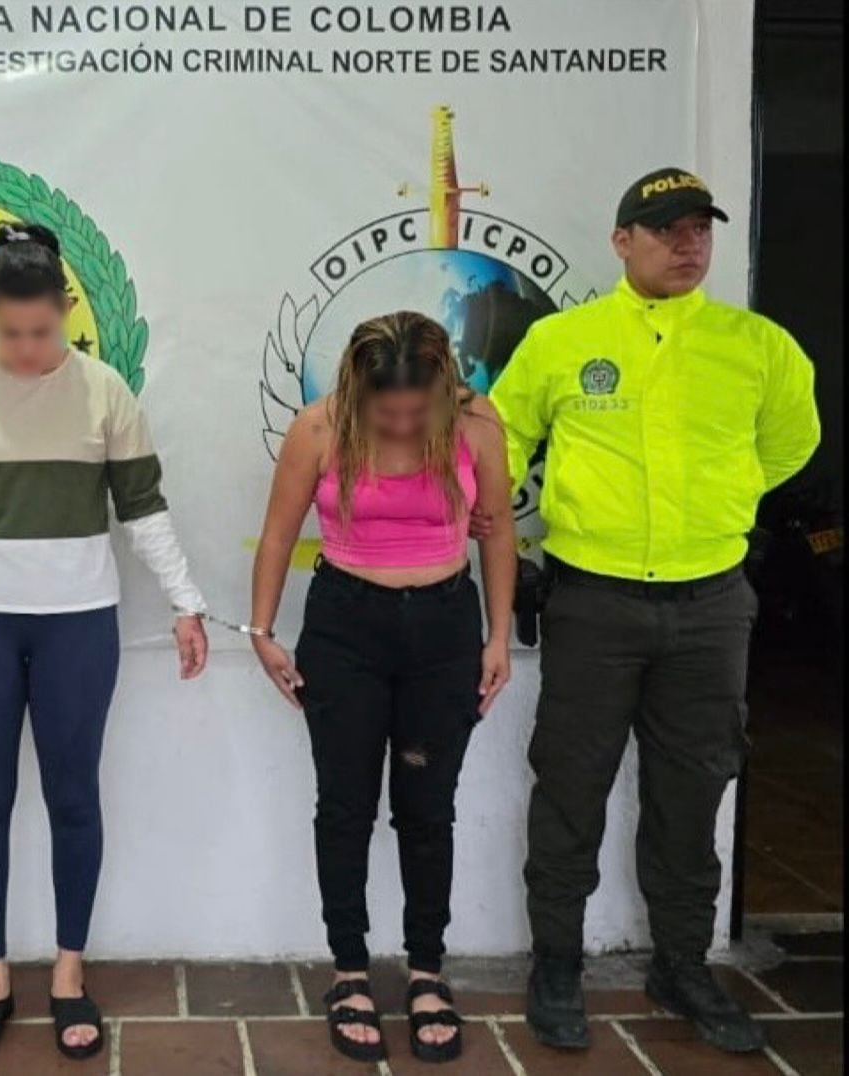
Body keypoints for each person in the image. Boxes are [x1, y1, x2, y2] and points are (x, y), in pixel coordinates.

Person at [486, 167, 821, 1054]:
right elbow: (500, 439)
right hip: (592, 602)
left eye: (699, 228)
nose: (687, 243)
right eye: (666, 228)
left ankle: (681, 964)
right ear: (621, 241)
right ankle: (556, 962)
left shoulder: (757, 345)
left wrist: (722, 502)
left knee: (693, 788)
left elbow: (791, 443)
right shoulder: (565, 340)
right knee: (570, 788)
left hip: (711, 606)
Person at [0, 222, 209, 1064]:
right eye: (9, 332)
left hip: (78, 624)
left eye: (43, 331)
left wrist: (187, 603)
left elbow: (143, 508)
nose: (28, 349)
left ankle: (69, 973)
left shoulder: (106, 392)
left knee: (74, 797)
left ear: (67, 311)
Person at [249, 311, 516, 1064]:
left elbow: (495, 531)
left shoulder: (477, 424)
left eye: (415, 408)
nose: (401, 422)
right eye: (386, 410)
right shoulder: (320, 428)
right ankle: (350, 971)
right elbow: (277, 533)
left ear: (444, 387)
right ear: (357, 390)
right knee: (345, 805)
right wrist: (262, 631)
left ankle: (427, 971)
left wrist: (497, 637)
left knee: (428, 808)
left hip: (443, 627)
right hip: (346, 625)